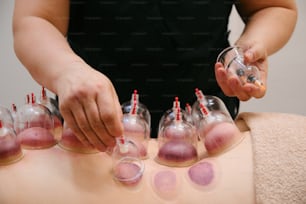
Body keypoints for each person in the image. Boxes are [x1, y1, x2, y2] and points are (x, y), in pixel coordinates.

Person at [12, 0, 297, 152]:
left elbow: (274, 6)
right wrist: (67, 71)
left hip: (206, 133)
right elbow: (35, 19)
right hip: (88, 134)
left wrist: (247, 50)